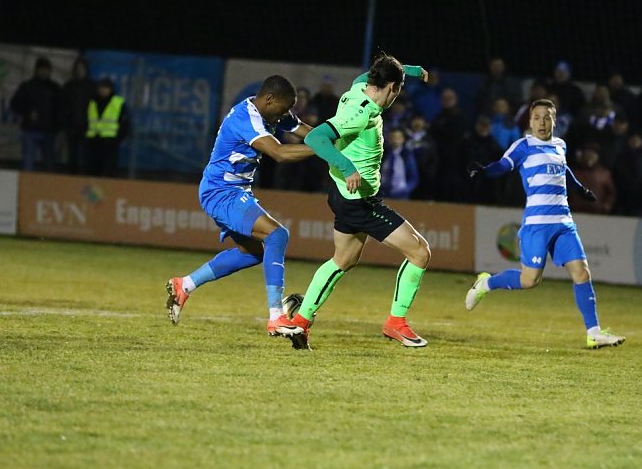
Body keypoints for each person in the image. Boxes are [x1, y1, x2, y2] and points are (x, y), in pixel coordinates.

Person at [274, 53, 431, 349]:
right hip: (361, 201)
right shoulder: (361, 111)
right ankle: (396, 323)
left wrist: (409, 70)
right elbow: (316, 138)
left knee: (343, 260)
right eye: (397, 88)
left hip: (342, 196)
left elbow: (367, 75)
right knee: (420, 252)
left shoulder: (360, 86)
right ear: (392, 88)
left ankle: (301, 322)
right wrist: (348, 167)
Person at [464, 99, 626, 349]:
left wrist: (581, 189)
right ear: (530, 121)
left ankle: (593, 333)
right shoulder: (523, 146)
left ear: (554, 121)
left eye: (547, 117)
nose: (542, 122)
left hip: (564, 222)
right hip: (537, 224)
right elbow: (503, 166)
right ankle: (486, 282)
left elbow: (564, 171)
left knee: (582, 272)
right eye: (537, 117)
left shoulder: (560, 145)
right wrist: (485, 171)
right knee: (529, 281)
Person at [165, 75, 315, 336]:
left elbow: (304, 130)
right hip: (221, 192)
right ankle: (276, 317)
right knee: (277, 235)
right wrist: (326, 152)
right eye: (282, 110)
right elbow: (279, 153)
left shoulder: (270, 112)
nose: (283, 117)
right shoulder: (245, 117)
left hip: (232, 191)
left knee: (253, 253)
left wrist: (337, 138)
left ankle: (185, 285)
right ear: (269, 100)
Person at [10, 56, 61, 171]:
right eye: (41, 69)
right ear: (36, 70)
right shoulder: (27, 86)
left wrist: (57, 127)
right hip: (30, 130)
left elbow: (60, 109)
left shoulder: (55, 88)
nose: (44, 72)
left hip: (49, 131)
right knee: (28, 163)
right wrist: (28, 113)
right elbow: (14, 104)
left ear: (50, 71)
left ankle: (49, 187)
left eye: (46, 69)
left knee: (49, 163)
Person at [84, 78, 130, 177]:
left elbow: (125, 125)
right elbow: (86, 120)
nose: (103, 90)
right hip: (94, 142)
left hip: (110, 143)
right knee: (92, 173)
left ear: (111, 89)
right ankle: (92, 193)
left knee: (109, 173)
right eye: (101, 87)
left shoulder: (118, 103)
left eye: (106, 88)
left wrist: (117, 140)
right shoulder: (92, 102)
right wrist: (87, 138)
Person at [60, 57, 95, 174]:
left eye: (82, 68)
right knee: (72, 154)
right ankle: (72, 176)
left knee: (87, 155)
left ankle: (86, 176)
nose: (79, 71)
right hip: (72, 126)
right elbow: (63, 106)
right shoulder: (68, 86)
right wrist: (65, 123)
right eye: (77, 68)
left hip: (87, 126)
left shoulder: (92, 87)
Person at [380, 128, 418, 199]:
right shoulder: (383, 154)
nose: (395, 140)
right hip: (383, 193)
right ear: (388, 139)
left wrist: (405, 189)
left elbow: (413, 177)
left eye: (398, 137)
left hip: (401, 194)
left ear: (403, 139)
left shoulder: (407, 155)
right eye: (393, 137)